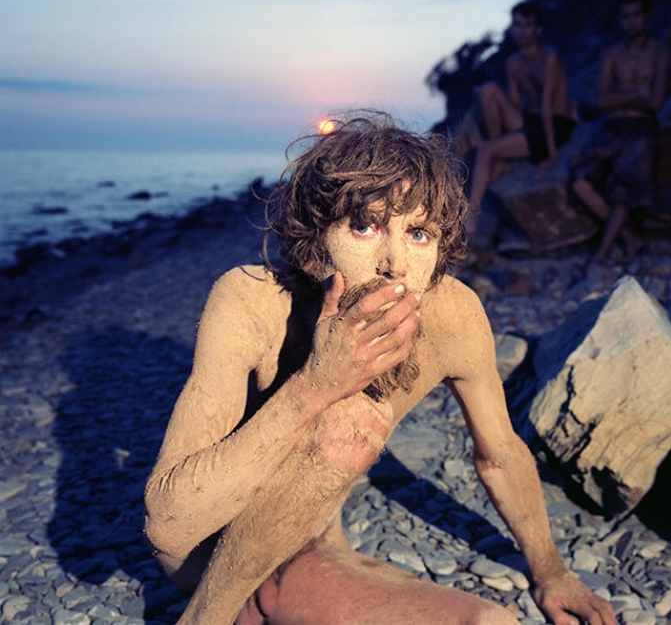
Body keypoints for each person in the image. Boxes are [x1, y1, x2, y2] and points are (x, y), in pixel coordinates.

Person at [143, 111, 617, 625]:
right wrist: (315, 387)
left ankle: (265, 604)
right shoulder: (251, 300)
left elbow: (500, 453)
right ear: (317, 235)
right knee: (354, 420)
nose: (394, 262)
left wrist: (550, 573)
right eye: (365, 226)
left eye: (418, 234)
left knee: (493, 623)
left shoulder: (452, 316)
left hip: (307, 552)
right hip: (207, 548)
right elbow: (169, 524)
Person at [570, 0, 670, 268]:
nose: (631, 22)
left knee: (624, 186)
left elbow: (656, 101)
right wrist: (637, 90)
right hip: (612, 126)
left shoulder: (659, 53)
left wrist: (622, 94)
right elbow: (601, 100)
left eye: (636, 15)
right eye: (625, 17)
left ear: (646, 17)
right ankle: (628, 238)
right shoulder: (612, 55)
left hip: (641, 125)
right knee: (580, 179)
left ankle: (601, 255)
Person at [465, 2, 576, 235]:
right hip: (531, 122)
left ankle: (471, 215)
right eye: (517, 25)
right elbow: (514, 105)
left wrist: (552, 155)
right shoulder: (513, 63)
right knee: (488, 91)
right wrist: (505, 139)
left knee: (485, 149)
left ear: (538, 30)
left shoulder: (549, 58)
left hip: (554, 125)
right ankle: (500, 158)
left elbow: (546, 107)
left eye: (528, 25)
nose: (522, 31)